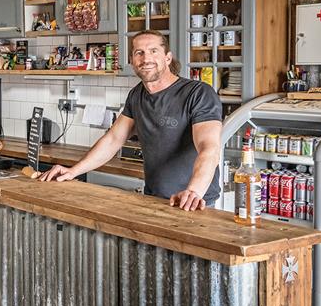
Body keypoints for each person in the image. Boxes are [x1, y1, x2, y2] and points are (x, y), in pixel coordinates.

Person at [40, 30, 223, 211]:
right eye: (139, 53)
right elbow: (113, 140)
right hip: (154, 198)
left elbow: (209, 148)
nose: (146, 59)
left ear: (168, 58)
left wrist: (193, 191)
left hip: (195, 201)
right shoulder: (137, 95)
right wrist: (73, 171)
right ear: (132, 61)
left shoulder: (198, 93)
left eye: (153, 51)